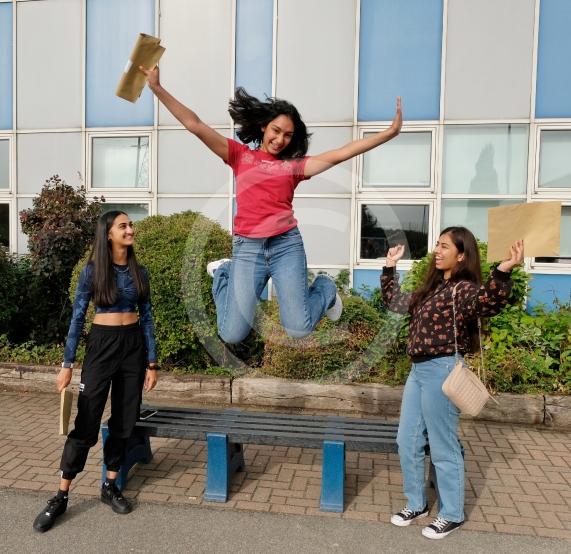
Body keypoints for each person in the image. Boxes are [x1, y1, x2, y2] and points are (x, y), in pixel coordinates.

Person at [140, 65, 402, 343]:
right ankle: (224, 272)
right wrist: (157, 89)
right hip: (248, 249)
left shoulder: (294, 167)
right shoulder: (239, 156)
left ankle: (325, 288)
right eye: (275, 131)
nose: (279, 139)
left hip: (285, 246)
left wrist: (388, 133)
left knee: (298, 329)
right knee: (230, 334)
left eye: (287, 135)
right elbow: (195, 125)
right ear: (264, 127)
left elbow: (340, 154)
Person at [381, 227, 523, 539]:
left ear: (461, 255)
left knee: (443, 446)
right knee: (407, 440)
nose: (437, 250)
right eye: (437, 244)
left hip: (442, 370)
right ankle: (416, 504)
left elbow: (490, 302)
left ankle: (452, 513)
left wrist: (503, 269)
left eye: (444, 246)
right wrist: (390, 267)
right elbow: (395, 302)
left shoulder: (464, 290)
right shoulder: (432, 289)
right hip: (417, 372)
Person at [33, 211, 159, 533]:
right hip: (101, 348)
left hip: (133, 349)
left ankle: (110, 486)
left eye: (130, 225)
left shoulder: (139, 272)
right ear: (108, 234)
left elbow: (147, 317)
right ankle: (61, 497)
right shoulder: (92, 272)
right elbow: (77, 319)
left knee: (123, 421)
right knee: (86, 422)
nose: (131, 229)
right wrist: (67, 365)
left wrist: (152, 362)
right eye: (124, 226)